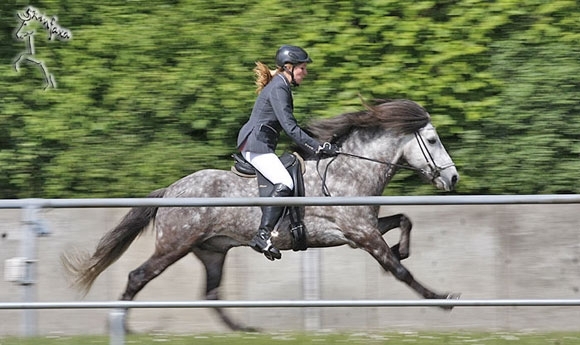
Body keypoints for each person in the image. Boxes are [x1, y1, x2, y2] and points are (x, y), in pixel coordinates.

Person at [237, 45, 340, 261]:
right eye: (303, 68)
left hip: (260, 144)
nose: (306, 72)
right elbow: (290, 127)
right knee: (285, 182)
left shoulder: (281, 85)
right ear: (289, 67)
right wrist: (318, 147)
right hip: (256, 146)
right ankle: (263, 235)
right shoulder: (279, 88)